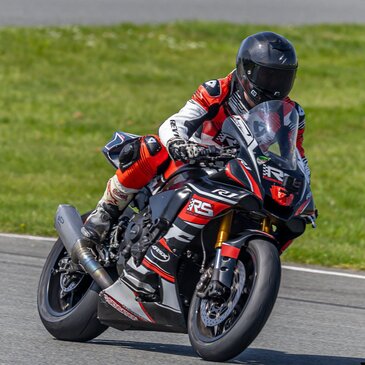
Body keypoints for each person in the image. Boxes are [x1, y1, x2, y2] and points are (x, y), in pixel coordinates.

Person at [79, 31, 311, 298]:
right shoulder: (219, 90)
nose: (275, 86)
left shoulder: (290, 112)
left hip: (238, 171)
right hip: (192, 161)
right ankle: (104, 214)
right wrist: (179, 143)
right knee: (151, 147)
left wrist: (304, 192)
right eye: (268, 76)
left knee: (289, 214)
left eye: (283, 77)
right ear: (247, 71)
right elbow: (176, 121)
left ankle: (246, 265)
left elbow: (297, 157)